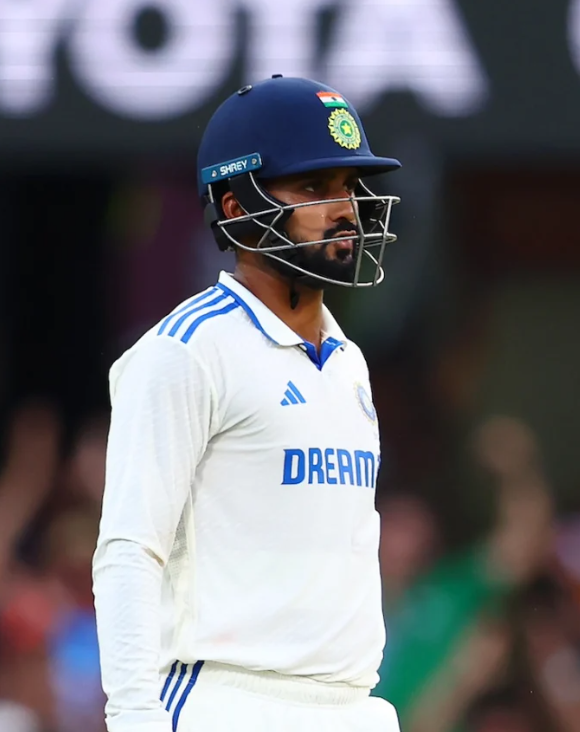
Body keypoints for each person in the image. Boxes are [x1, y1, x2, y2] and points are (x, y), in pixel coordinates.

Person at [92, 75, 403, 732]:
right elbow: (128, 549)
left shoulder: (348, 362)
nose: (344, 208)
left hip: (353, 708)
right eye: (314, 189)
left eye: (349, 187)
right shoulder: (185, 351)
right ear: (236, 207)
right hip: (227, 703)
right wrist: (133, 717)